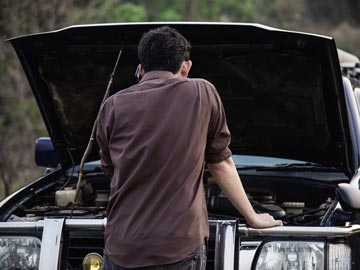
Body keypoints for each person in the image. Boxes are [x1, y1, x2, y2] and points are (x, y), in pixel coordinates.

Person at [96, 26, 282, 270]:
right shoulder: (201, 92)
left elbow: (110, 168)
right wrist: (253, 217)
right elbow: (221, 162)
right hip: (177, 248)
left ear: (141, 69)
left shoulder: (112, 105)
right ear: (186, 67)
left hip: (121, 248)